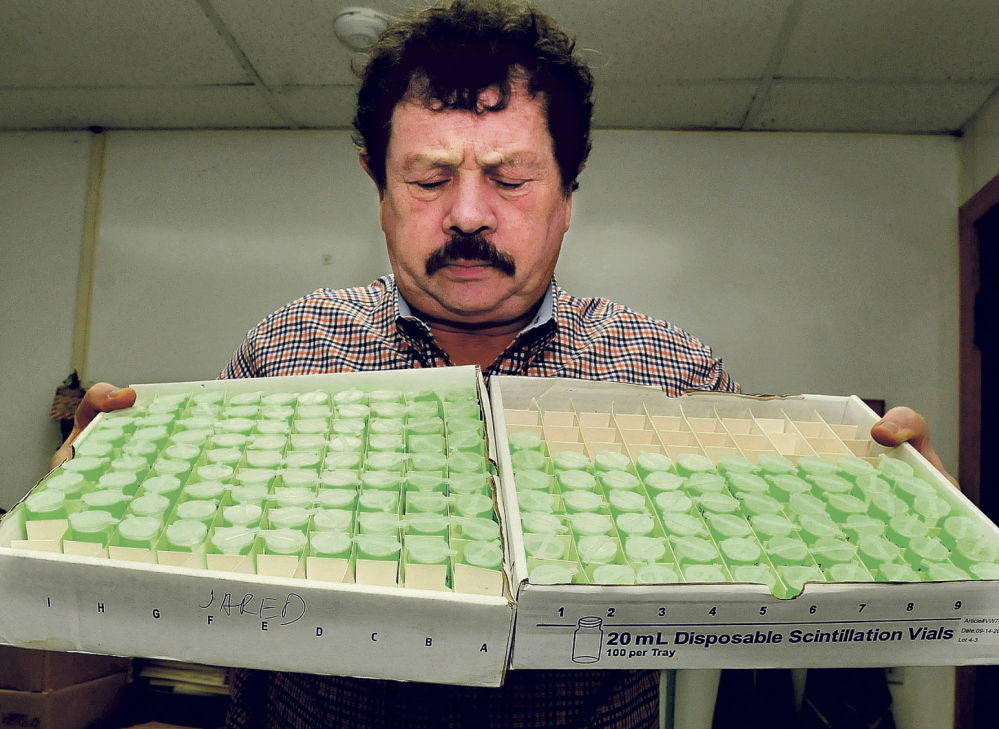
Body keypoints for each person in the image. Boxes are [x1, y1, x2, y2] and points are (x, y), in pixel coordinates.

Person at [51, 1, 958, 727]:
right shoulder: (286, 349)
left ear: (567, 196)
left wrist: (898, 510)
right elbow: (205, 559)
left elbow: (774, 570)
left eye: (513, 180)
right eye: (429, 178)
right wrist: (89, 501)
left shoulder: (670, 370)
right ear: (377, 188)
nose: (470, 215)